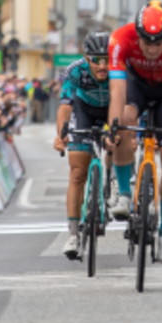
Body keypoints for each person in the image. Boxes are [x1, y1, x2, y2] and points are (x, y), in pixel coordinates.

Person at [106, 2, 162, 264]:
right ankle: (124, 192)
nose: (153, 48)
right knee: (124, 120)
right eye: (147, 42)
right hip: (136, 85)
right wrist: (114, 125)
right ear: (137, 33)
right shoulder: (120, 38)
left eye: (159, 43)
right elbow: (117, 89)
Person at [54, 31, 113, 260]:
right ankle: (73, 235)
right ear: (86, 58)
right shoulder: (75, 71)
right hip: (84, 111)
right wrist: (62, 134)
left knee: (121, 141)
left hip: (112, 111)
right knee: (78, 173)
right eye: (96, 60)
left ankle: (117, 185)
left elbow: (130, 105)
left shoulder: (120, 69)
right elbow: (65, 106)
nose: (102, 65)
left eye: (107, 59)